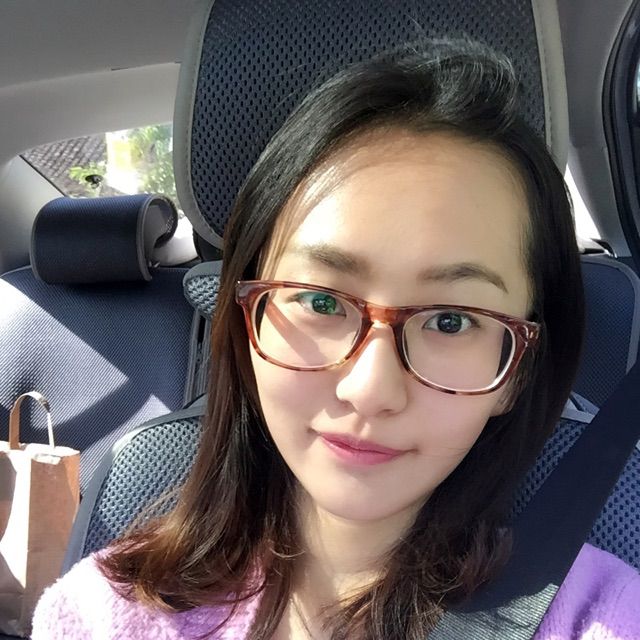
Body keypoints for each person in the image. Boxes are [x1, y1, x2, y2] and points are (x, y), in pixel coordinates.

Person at [32, 41, 640, 639]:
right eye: (321, 302)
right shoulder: (106, 612)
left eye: (451, 321)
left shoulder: (603, 618)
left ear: (519, 370)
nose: (370, 390)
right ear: (247, 323)